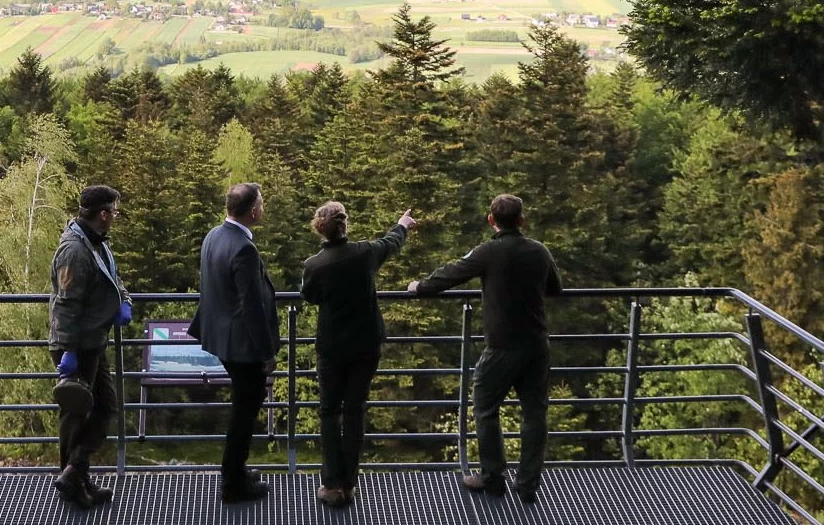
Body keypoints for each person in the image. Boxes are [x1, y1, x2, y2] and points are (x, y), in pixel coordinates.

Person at [409, 193, 563, 503]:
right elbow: (555, 289)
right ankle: (528, 484)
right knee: (535, 414)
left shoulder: (488, 252)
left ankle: (493, 478)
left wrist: (419, 287)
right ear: (521, 220)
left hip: (502, 346)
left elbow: (450, 274)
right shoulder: (539, 251)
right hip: (536, 344)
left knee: (485, 408)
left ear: (491, 220)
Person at [300, 202, 416, 508]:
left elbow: (310, 296)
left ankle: (330, 482)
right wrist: (402, 223)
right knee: (354, 411)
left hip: (332, 347)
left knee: (328, 411)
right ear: (344, 226)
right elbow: (391, 243)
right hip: (366, 345)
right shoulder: (364, 253)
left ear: (318, 228)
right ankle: (349, 484)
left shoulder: (314, 265)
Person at [190, 182, 280, 503]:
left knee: (242, 407)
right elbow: (251, 307)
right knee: (244, 411)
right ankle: (232, 481)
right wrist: (266, 351)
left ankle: (236, 472)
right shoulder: (244, 249)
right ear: (253, 211)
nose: (264, 207)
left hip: (222, 338)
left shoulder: (214, 236)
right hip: (242, 346)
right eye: (262, 202)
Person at [49, 183, 133, 507]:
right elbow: (66, 305)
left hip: (92, 341)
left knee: (105, 406)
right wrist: (68, 350)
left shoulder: (96, 243)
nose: (116, 216)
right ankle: (73, 481)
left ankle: (75, 472)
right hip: (76, 345)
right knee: (76, 414)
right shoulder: (74, 250)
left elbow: (113, 277)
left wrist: (123, 300)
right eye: (114, 211)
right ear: (103, 214)